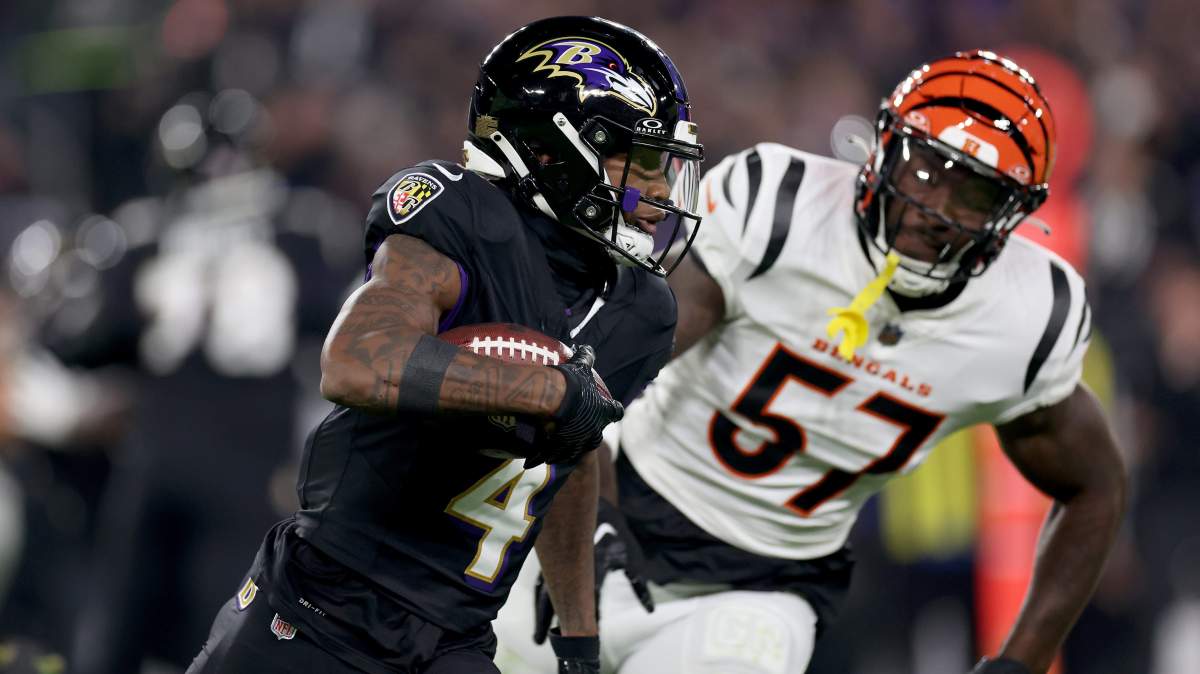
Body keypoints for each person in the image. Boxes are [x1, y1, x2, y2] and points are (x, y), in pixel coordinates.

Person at [497, 50, 1126, 674]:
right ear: (884, 147)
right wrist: (590, 515)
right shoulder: (780, 208)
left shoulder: (1027, 318)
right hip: (615, 512)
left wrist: (1021, 661)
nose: (935, 206)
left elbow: (1095, 488)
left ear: (1012, 212)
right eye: (925, 168)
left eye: (976, 192)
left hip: (759, 594)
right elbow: (604, 372)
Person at [187, 15, 704, 674]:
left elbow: (571, 450)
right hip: (321, 610)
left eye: (665, 167)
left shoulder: (643, 311)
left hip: (456, 636)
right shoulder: (464, 218)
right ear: (549, 151)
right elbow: (355, 362)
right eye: (638, 162)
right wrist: (546, 389)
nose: (659, 192)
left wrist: (578, 635)